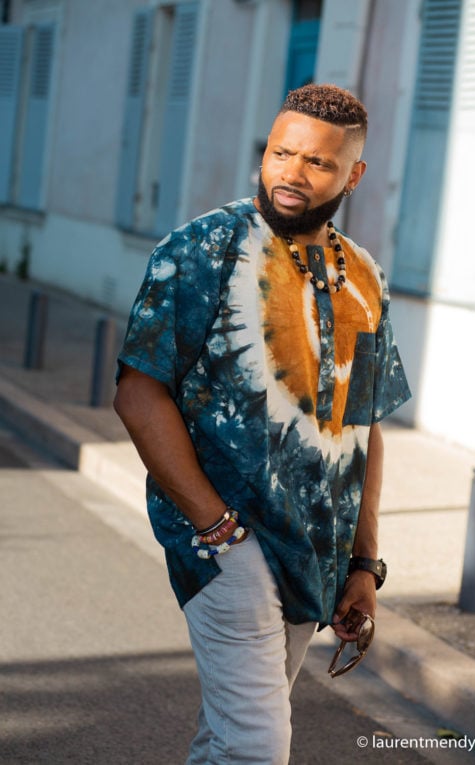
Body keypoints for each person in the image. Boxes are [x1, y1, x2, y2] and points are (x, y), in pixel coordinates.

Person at [114, 83, 411, 764]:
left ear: (353, 175)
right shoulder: (202, 250)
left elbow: (363, 426)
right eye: (281, 153)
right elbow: (139, 393)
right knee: (257, 747)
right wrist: (219, 529)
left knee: (229, 737)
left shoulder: (365, 276)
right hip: (227, 544)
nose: (290, 175)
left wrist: (364, 562)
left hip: (316, 558)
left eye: (317, 163)